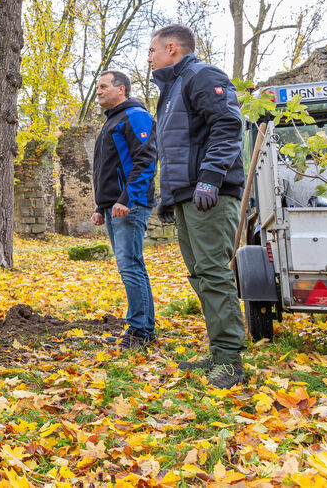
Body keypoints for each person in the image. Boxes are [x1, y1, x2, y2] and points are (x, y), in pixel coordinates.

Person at [148, 24, 247, 389]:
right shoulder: (172, 89)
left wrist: (210, 177)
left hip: (211, 193)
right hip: (187, 196)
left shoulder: (202, 76)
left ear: (172, 48)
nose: (149, 57)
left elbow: (227, 125)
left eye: (152, 50)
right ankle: (219, 352)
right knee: (199, 274)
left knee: (213, 271)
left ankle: (230, 361)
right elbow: (174, 149)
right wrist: (169, 197)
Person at [90, 70, 158, 349]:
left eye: (104, 87)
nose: (98, 92)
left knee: (131, 266)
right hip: (113, 207)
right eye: (97, 88)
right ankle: (140, 328)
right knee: (128, 266)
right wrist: (100, 206)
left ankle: (140, 332)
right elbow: (110, 169)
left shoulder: (135, 115)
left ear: (121, 89)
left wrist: (127, 200)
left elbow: (146, 161)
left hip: (128, 206)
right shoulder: (111, 121)